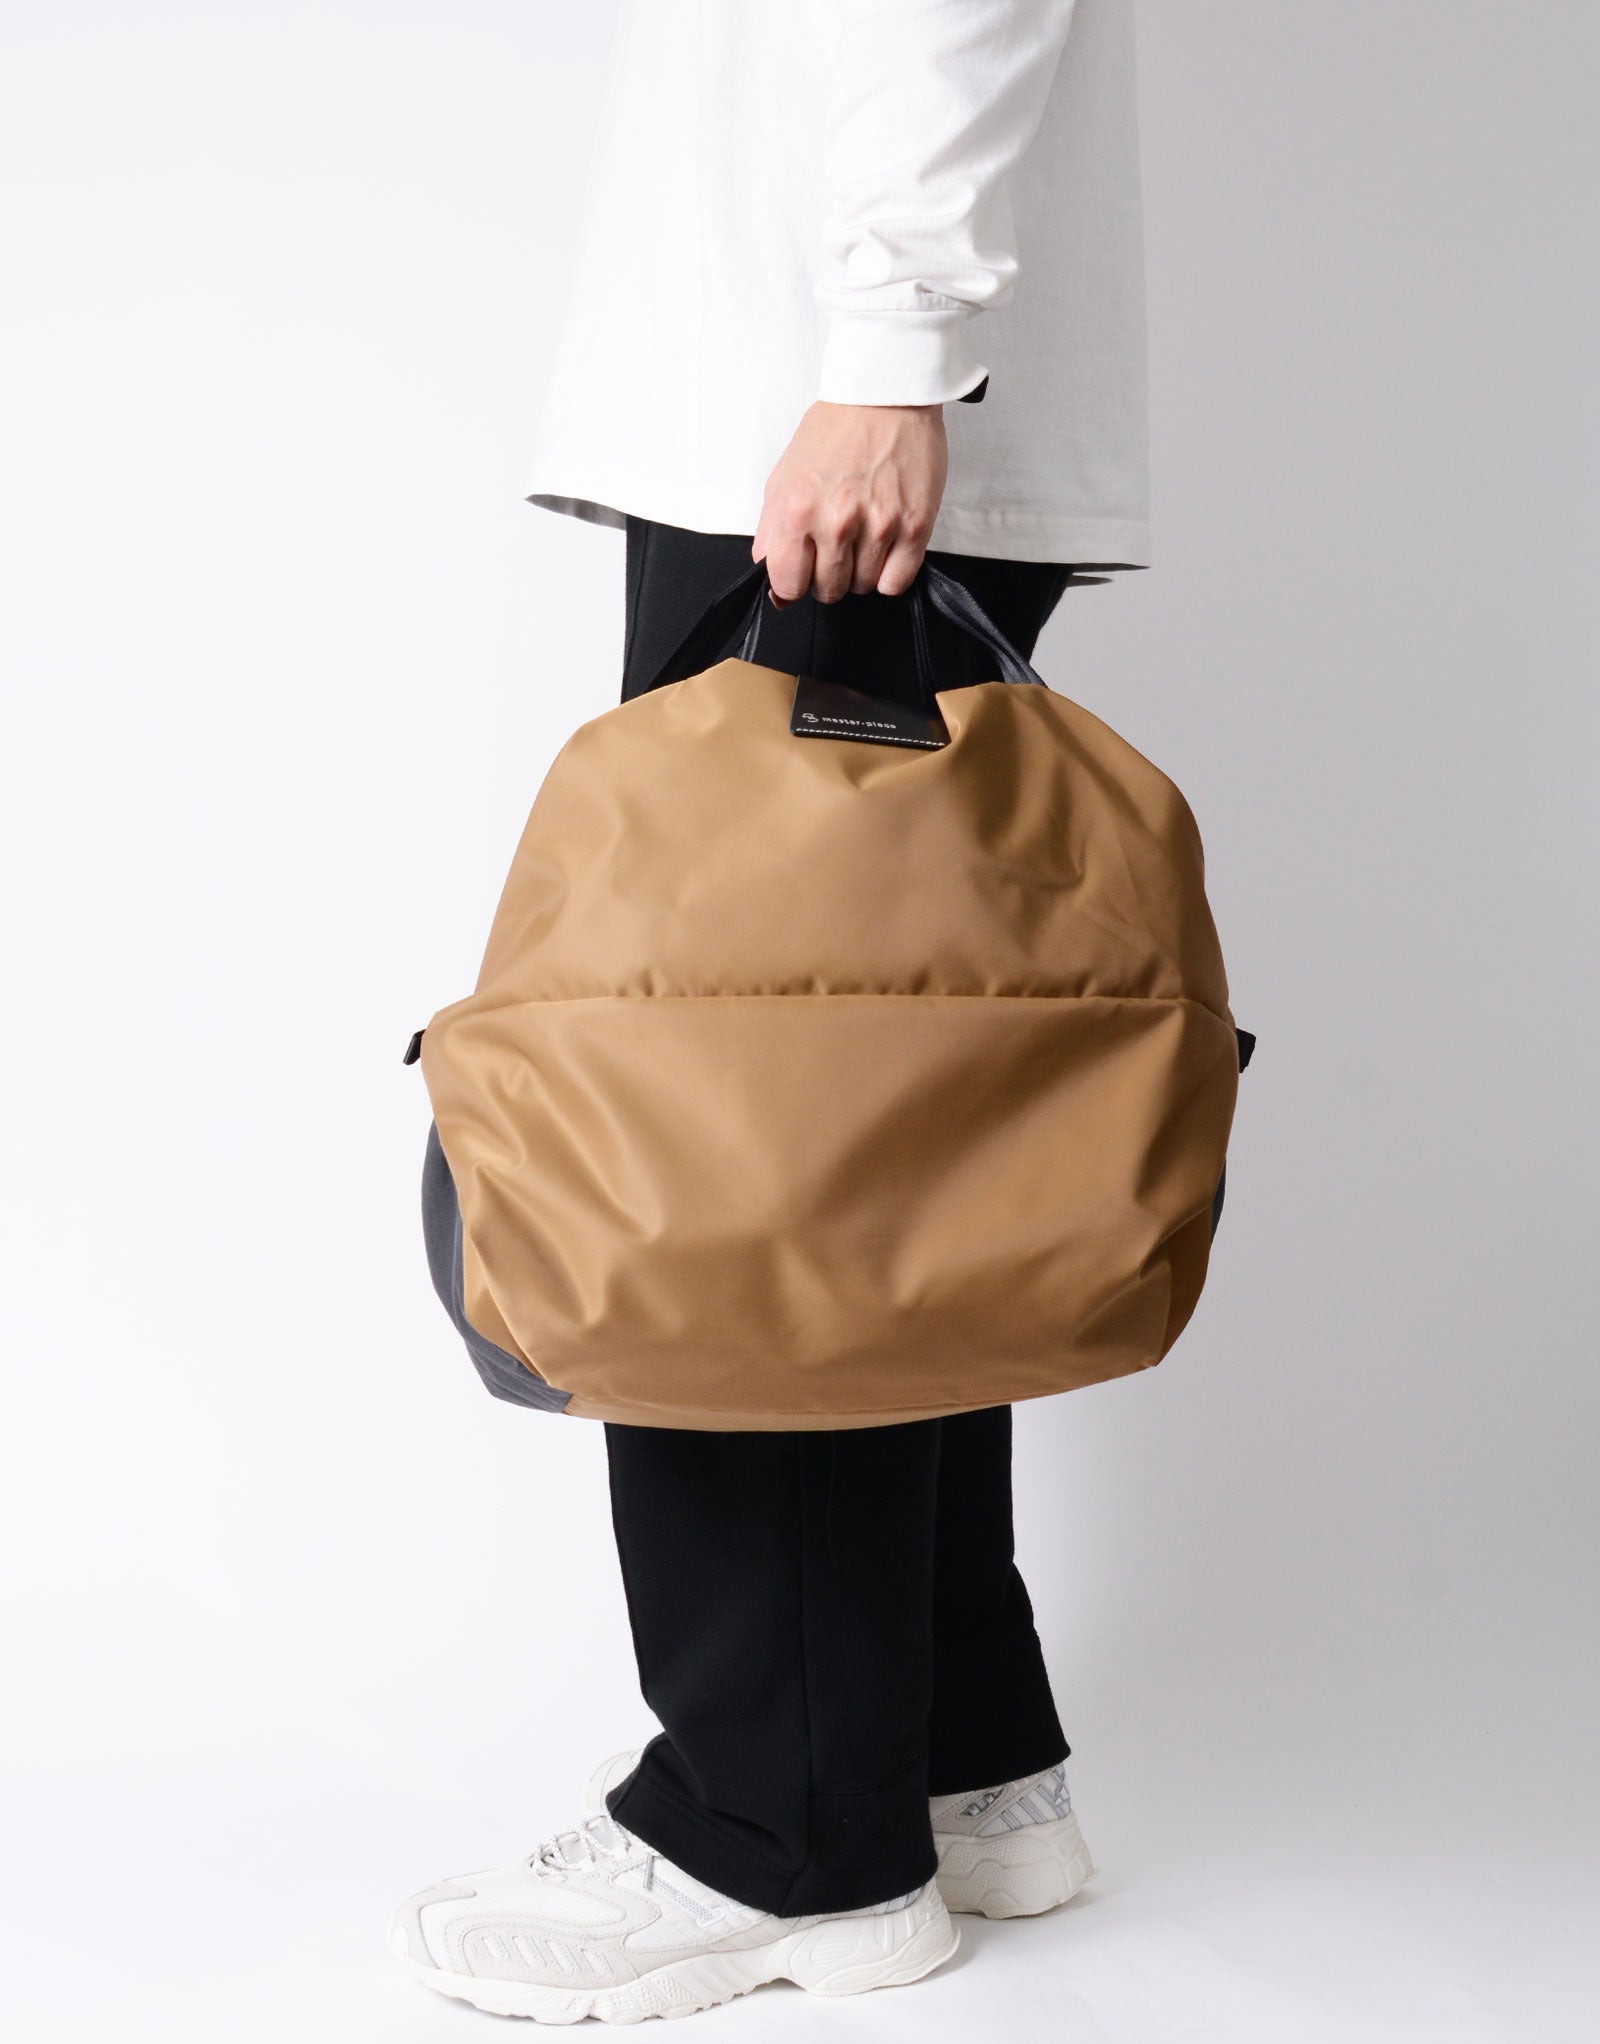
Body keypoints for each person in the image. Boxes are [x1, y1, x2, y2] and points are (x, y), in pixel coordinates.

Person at [390, 0, 1149, 2021]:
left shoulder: (856, 382)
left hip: (813, 411)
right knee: (877, 1121)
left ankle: (779, 1834)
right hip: (824, 389)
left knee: (743, 1148)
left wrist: (886, 361)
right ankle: (961, 1758)